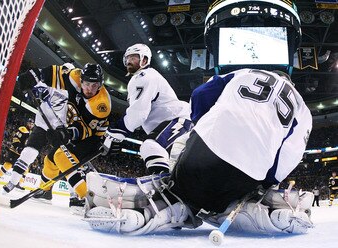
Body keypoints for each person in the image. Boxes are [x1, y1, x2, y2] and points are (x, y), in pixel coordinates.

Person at [82, 0, 314, 236]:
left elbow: (201, 94)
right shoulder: (303, 110)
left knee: (180, 184)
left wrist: (203, 129)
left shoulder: (244, 73)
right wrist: (263, 184)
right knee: (227, 198)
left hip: (204, 153)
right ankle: (256, 209)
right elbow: (289, 156)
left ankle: (166, 205)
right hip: (249, 172)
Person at [3, 63, 111, 207]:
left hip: (93, 138)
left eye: (94, 85)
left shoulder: (101, 104)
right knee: (50, 160)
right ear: (81, 79)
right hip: (72, 126)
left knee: (61, 156)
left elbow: (86, 129)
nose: (90, 89)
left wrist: (67, 134)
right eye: (86, 83)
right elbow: (55, 72)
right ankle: (46, 190)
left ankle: (85, 197)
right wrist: (35, 75)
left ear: (101, 84)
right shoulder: (75, 76)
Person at [104, 43, 191, 174]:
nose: (128, 61)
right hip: (175, 122)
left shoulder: (145, 76)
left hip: (178, 120)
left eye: (133, 58)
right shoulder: (142, 78)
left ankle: (159, 187)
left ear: (144, 60)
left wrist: (115, 131)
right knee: (172, 165)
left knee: (150, 146)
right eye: (127, 58)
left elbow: (138, 115)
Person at [0, 118, 35, 189]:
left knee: (25, 169)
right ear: (27, 123)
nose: (30, 125)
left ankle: (20, 183)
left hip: (23, 153)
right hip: (15, 151)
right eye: (30, 123)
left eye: (32, 124)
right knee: (8, 164)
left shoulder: (31, 133)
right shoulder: (22, 129)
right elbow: (16, 138)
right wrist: (17, 147)